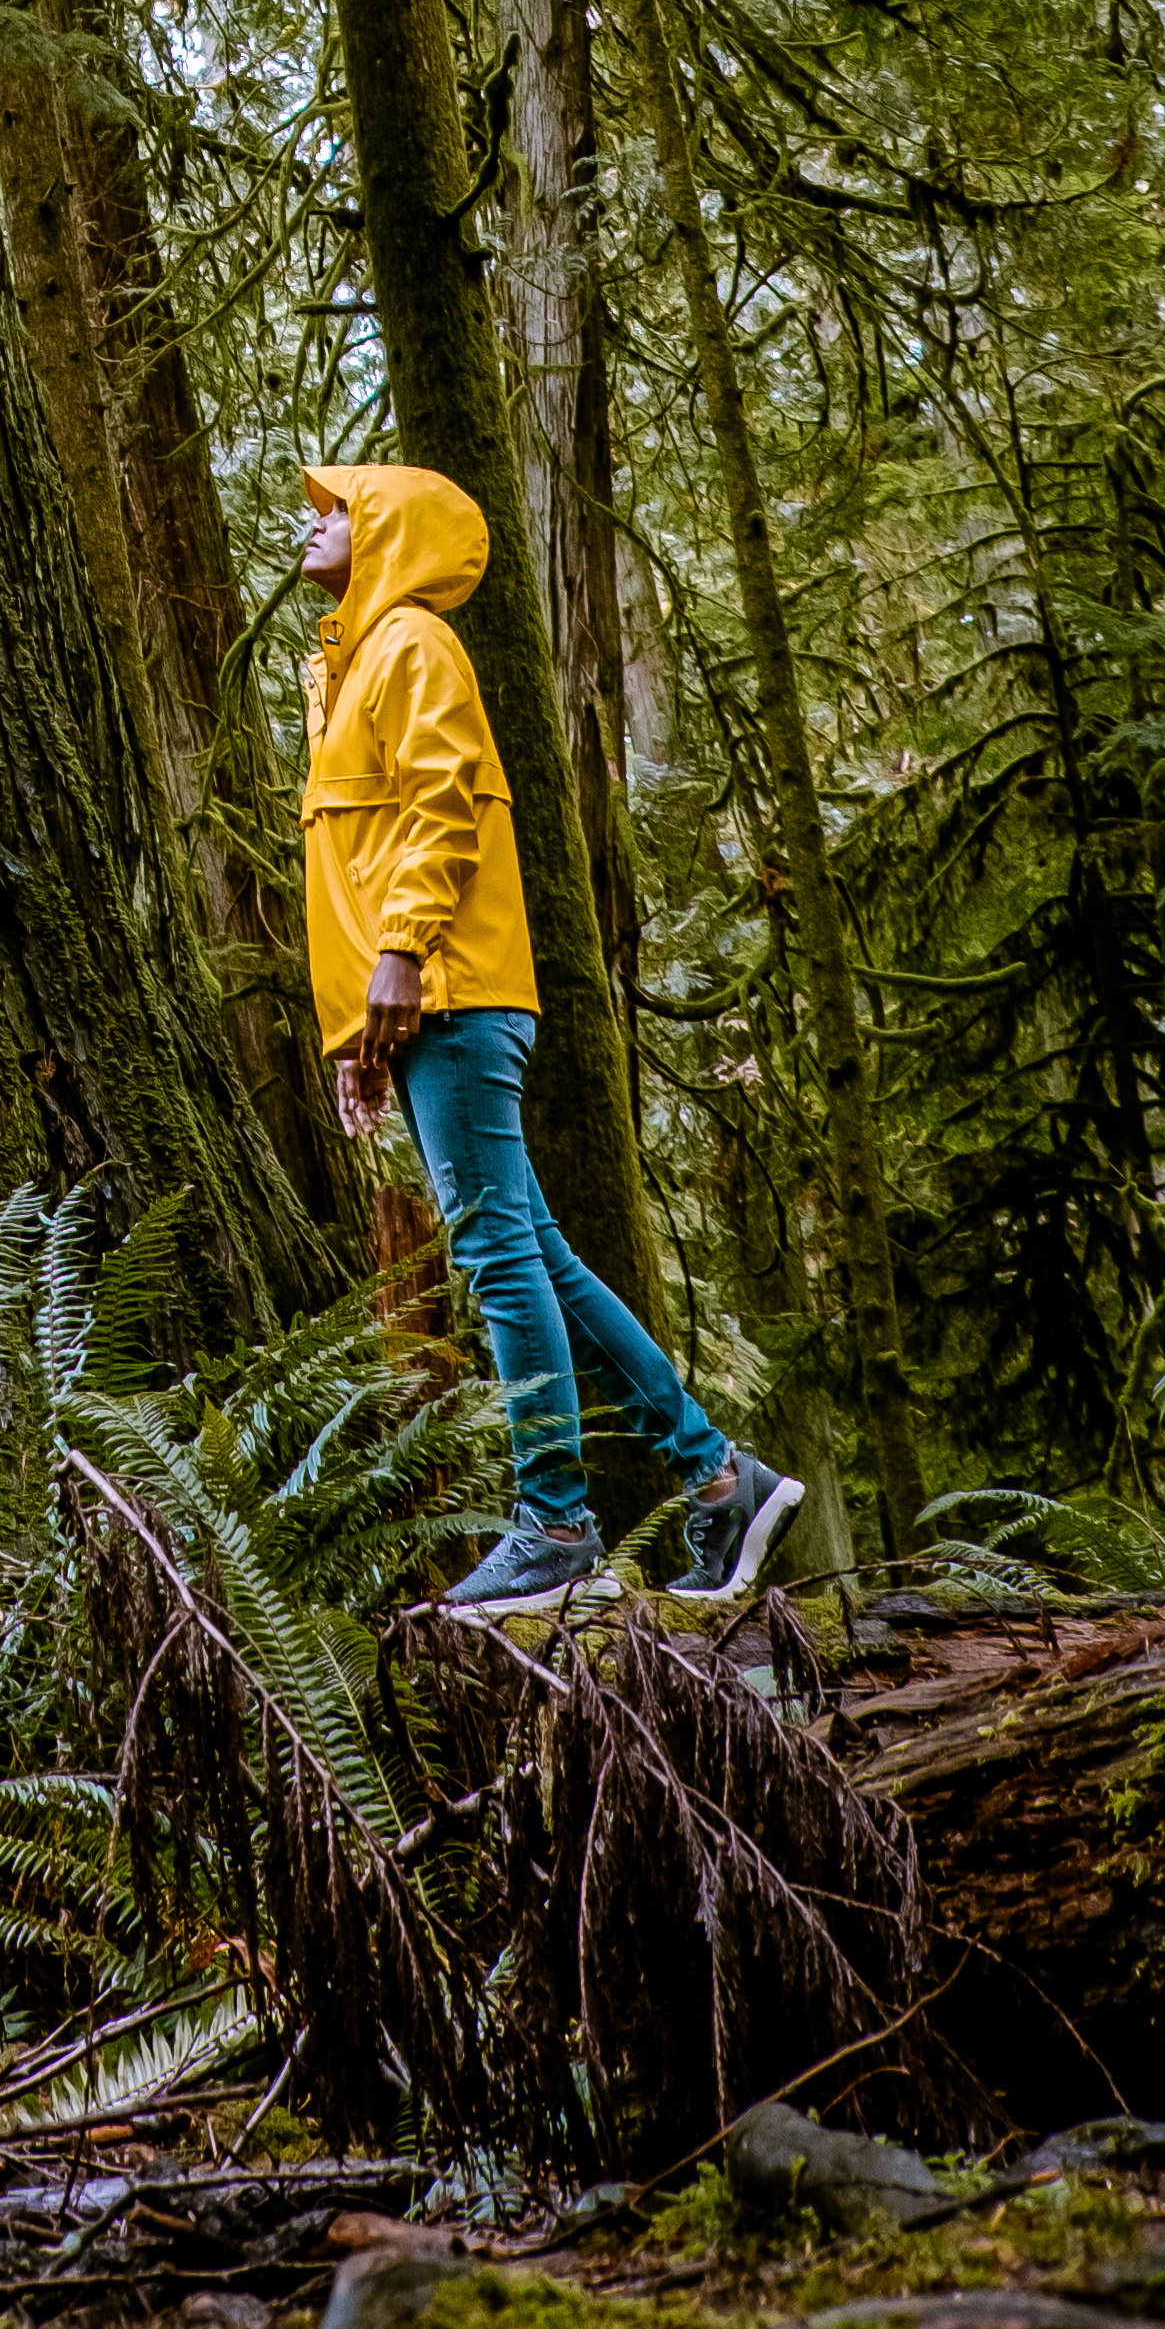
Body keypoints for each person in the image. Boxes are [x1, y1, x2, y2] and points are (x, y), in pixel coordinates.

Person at [298, 456, 804, 1613]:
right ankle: (719, 1480)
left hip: (452, 991)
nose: (313, 524)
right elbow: (352, 865)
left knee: (491, 1259)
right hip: (423, 998)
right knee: (542, 1258)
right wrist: (351, 1034)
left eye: (336, 509)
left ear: (387, 531)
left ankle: (555, 1521)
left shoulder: (413, 644)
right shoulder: (356, 662)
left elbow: (441, 807)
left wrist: (400, 959)